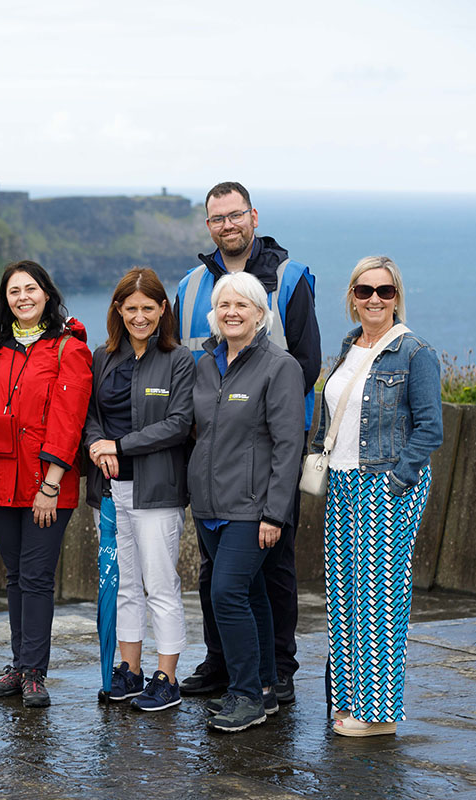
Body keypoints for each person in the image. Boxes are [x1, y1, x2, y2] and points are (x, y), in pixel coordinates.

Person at [175, 181, 321, 704]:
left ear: (253, 216)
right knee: (216, 573)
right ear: (208, 225)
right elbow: (180, 363)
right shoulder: (191, 285)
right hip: (210, 447)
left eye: (235, 215)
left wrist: (252, 419)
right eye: (218, 218)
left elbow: (306, 363)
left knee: (272, 565)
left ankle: (275, 668)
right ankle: (223, 662)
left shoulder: (290, 278)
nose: (227, 225)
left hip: (267, 448)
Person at [314, 256, 442, 737]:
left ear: (396, 297)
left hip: (385, 483)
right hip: (343, 483)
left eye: (384, 291)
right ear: (352, 297)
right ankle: (351, 701)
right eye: (364, 290)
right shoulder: (349, 347)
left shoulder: (415, 352)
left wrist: (396, 482)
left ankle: (379, 713)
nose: (374, 299)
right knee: (344, 596)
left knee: (380, 599)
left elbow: (430, 428)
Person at [0, 260, 92, 708]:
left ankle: (35, 672)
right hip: (1, 480)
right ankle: (19, 665)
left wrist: (51, 485)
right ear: (5, 300)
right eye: (14, 291)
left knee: (37, 578)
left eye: (30, 289)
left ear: (47, 293)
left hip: (47, 484)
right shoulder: (0, 350)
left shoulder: (68, 348)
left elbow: (69, 422)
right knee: (15, 577)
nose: (22, 297)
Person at [189, 272, 304, 733]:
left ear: (260, 313)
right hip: (209, 505)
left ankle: (244, 696)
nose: (232, 312)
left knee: (227, 593)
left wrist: (275, 512)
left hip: (253, 508)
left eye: (243, 305)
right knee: (251, 593)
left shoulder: (280, 366)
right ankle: (264, 687)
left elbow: (289, 445)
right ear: (214, 314)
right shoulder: (206, 364)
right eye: (224, 305)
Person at [84, 268, 194, 712]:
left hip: (157, 490)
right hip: (110, 491)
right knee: (125, 584)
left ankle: (167, 678)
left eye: (148, 307)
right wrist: (98, 446)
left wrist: (120, 445)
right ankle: (130, 670)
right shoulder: (102, 357)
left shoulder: (179, 360)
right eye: (131, 308)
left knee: (161, 585)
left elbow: (179, 423)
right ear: (118, 310)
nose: (140, 317)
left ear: (163, 309)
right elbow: (90, 414)